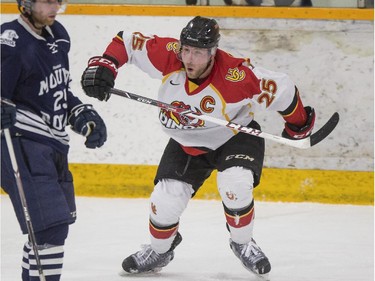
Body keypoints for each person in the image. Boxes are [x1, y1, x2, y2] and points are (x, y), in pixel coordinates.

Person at [80, 16, 315, 279]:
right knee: (165, 200)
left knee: (235, 183)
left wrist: (299, 125)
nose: (189, 59)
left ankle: (243, 242)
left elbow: (282, 89)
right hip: (186, 141)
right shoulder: (170, 55)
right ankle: (160, 251)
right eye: (187, 50)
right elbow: (128, 43)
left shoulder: (236, 74)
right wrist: (106, 65)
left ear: (213, 52)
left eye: (199, 53)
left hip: (234, 135)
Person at [0, 0, 107, 280]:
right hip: (21, 143)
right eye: (47, 1)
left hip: (53, 145)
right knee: (50, 229)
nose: (55, 7)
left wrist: (80, 114)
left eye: (57, 1)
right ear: (25, 3)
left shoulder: (58, 35)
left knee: (48, 232)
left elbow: (58, 87)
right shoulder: (10, 41)